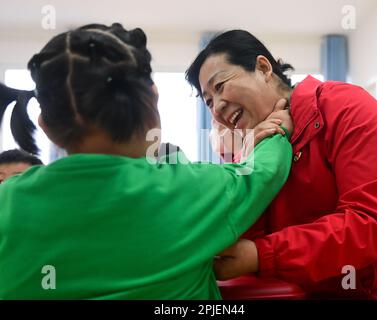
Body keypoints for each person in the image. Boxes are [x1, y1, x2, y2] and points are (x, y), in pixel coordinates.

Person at [0, 23, 293, 299]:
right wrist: (277, 126)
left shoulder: (8, 202)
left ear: (46, 126)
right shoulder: (194, 189)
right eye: (208, 99)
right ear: (152, 100)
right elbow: (265, 171)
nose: (216, 109)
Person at [186, 29, 377, 299]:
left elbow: (371, 223)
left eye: (219, 87)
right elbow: (236, 234)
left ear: (263, 68)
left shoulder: (344, 107)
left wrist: (263, 256)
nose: (216, 109)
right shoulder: (249, 155)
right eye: (208, 102)